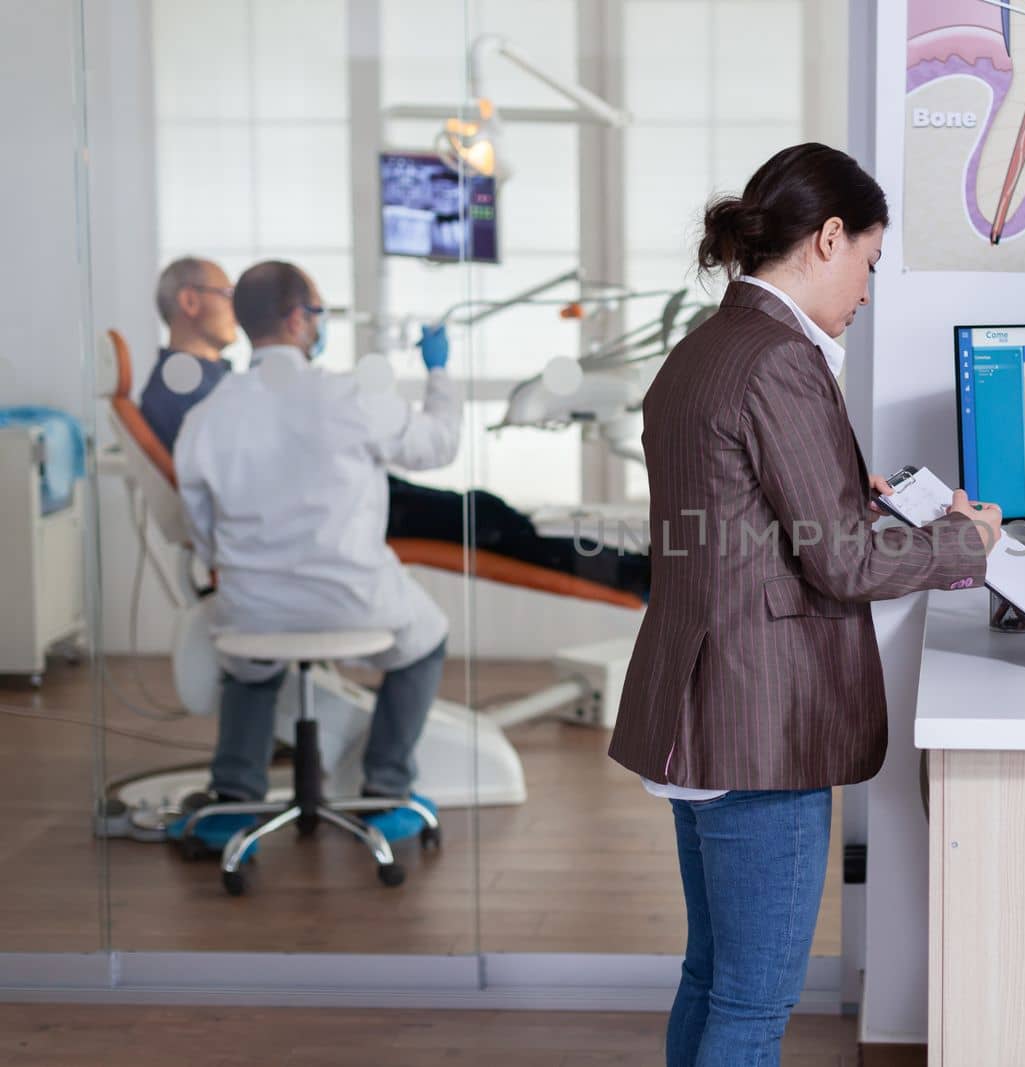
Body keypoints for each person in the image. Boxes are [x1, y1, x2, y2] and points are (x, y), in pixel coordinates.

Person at [607, 143, 1003, 1065]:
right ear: (829, 238)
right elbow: (846, 565)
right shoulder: (784, 361)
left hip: (698, 707)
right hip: (760, 721)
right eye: (868, 260)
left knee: (712, 977)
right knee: (753, 1003)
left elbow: (745, 519)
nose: (867, 290)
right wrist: (968, 541)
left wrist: (846, 491)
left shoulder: (706, 348)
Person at [140, 258, 650, 601]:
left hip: (320, 509)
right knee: (489, 521)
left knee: (490, 513)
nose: (235, 304)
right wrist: (435, 373)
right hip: (322, 520)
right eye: (224, 292)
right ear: (189, 301)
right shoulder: (197, 394)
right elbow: (250, 470)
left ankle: (641, 572)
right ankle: (641, 577)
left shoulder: (217, 386)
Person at [169, 260, 462, 852]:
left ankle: (233, 800)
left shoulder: (206, 415)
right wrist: (439, 373)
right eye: (320, 312)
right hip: (354, 603)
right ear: (301, 319)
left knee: (249, 671)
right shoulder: (349, 393)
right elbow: (437, 446)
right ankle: (386, 790)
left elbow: (201, 533)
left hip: (254, 608)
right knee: (427, 639)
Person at [141, 257, 238, 449]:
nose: (236, 308)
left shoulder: (205, 380)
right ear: (190, 301)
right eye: (228, 294)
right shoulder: (181, 391)